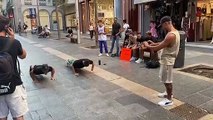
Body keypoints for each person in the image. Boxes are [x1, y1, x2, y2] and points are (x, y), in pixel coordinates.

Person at [144, 16, 180, 107]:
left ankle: (169, 99)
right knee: (165, 79)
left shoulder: (171, 35)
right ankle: (167, 93)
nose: (163, 27)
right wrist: (153, 43)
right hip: (166, 60)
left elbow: (157, 48)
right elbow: (163, 43)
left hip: (167, 60)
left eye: (163, 25)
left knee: (167, 80)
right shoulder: (173, 33)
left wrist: (147, 46)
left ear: (167, 23)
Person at [0, 15, 28, 120]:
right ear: (6, 28)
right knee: (18, 116)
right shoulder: (14, 43)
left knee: (1, 117)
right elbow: (23, 56)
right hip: (14, 84)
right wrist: (12, 39)